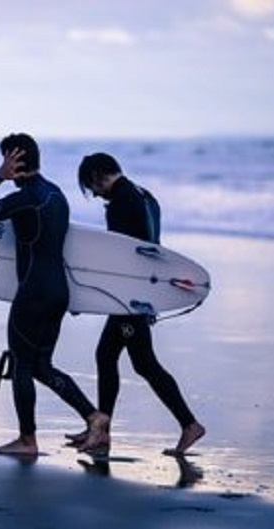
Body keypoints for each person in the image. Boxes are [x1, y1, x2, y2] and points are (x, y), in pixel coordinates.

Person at [0, 133, 109, 456]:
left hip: (33, 293)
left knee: (22, 365)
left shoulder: (26, 197)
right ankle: (94, 417)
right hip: (59, 292)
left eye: (4, 159)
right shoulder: (57, 195)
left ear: (12, 161)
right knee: (42, 366)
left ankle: (27, 440)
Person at [71, 152, 205, 457]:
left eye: (90, 186)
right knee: (110, 356)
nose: (93, 193)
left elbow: (122, 259)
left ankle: (189, 424)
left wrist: (91, 296)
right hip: (139, 294)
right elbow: (151, 249)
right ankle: (101, 428)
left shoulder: (121, 202)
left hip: (130, 298)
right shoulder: (144, 195)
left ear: (96, 176)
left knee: (142, 363)